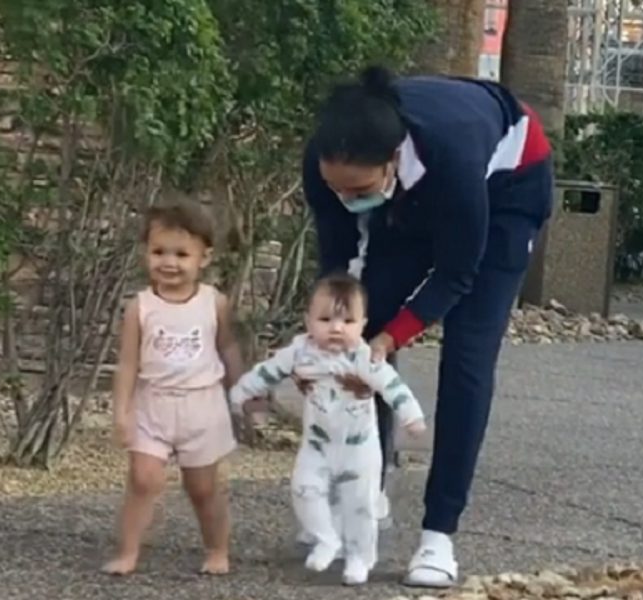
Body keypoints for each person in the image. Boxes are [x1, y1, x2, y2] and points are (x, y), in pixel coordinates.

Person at [301, 65, 553, 587]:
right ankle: (365, 489)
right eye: (335, 188)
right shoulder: (326, 160)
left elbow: (457, 273)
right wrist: (332, 335)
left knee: (467, 356)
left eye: (357, 189)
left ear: (393, 159)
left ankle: (439, 534)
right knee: (362, 325)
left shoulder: (453, 154)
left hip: (507, 193)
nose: (346, 200)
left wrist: (392, 337)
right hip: (414, 193)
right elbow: (338, 265)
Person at [228, 272, 427, 586]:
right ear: (308, 322)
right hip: (317, 444)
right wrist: (241, 392)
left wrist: (411, 415)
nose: (336, 328)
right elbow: (267, 372)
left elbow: (392, 386)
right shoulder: (299, 352)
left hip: (359, 446)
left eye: (347, 321)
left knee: (360, 504)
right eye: (325, 320)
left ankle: (360, 556)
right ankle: (326, 538)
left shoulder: (364, 357)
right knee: (304, 489)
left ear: (362, 325)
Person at [103, 199, 244, 576]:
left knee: (203, 488)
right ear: (146, 253)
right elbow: (128, 363)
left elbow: (228, 347)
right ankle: (128, 552)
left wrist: (244, 390)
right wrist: (121, 412)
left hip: (203, 407)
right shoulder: (140, 307)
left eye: (181, 254)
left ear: (204, 257)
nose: (169, 262)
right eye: (159, 252)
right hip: (153, 404)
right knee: (142, 479)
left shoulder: (214, 303)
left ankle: (217, 548)